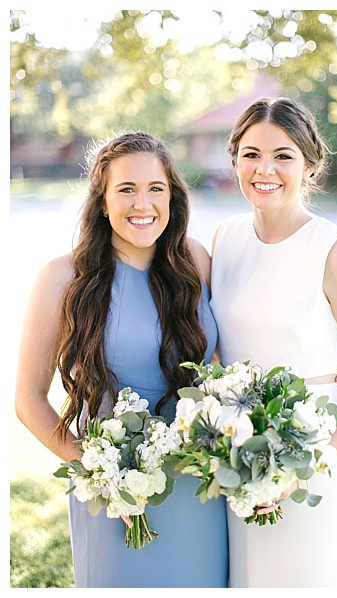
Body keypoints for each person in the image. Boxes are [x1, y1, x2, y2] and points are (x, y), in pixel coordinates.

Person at [14, 132, 229, 587]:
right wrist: (101, 474)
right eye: (126, 189)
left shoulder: (196, 261)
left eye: (156, 189)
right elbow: (28, 399)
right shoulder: (62, 278)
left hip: (198, 480)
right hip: (114, 496)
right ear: (102, 200)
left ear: (172, 196)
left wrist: (327, 369)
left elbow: (228, 357)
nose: (142, 204)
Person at [209, 97, 337, 588]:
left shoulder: (334, 251)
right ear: (234, 161)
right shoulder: (224, 239)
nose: (264, 169)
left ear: (310, 166)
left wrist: (308, 461)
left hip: (313, 449)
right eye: (251, 154)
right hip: (238, 447)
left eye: (283, 155)